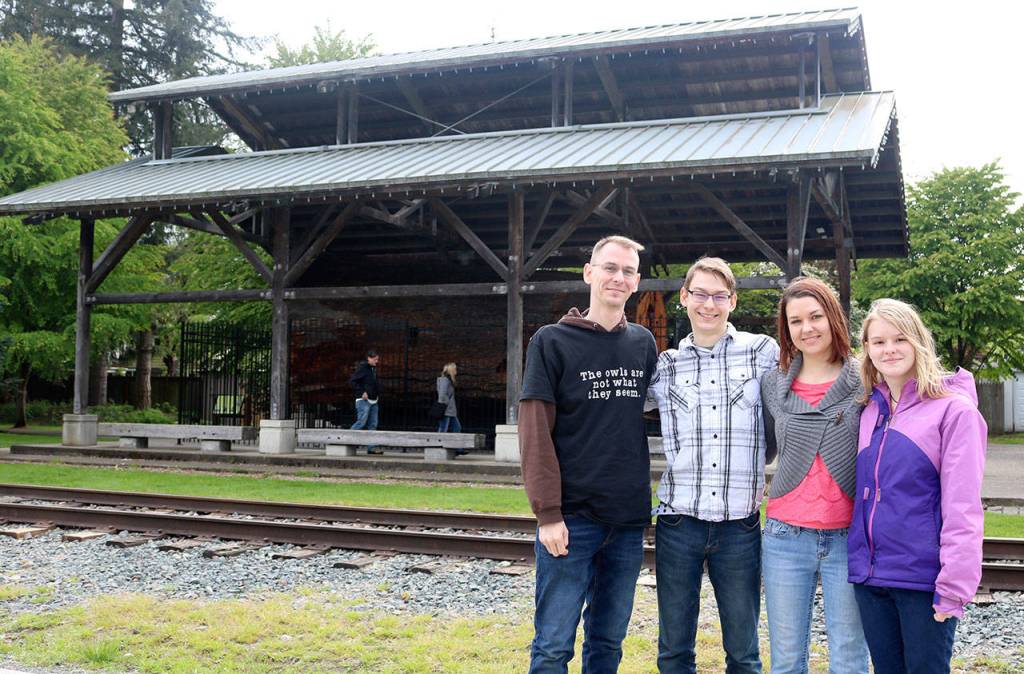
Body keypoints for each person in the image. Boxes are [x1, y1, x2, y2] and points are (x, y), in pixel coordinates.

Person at [519, 235, 658, 673]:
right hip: (572, 519)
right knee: (553, 646)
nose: (618, 277)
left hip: (627, 519)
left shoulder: (643, 344)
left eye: (628, 271)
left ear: (636, 282)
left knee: (608, 642)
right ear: (589, 273)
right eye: (610, 267)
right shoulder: (551, 342)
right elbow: (535, 430)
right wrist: (548, 513)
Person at [646, 256, 778, 674]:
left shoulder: (762, 353)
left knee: (743, 652)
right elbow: (613, 411)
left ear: (733, 301)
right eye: (700, 294)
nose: (709, 304)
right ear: (684, 297)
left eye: (719, 295)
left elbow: (798, 400)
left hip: (739, 524)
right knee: (674, 650)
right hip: (677, 521)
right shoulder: (664, 366)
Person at [848, 298, 986, 674]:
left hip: (923, 582)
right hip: (871, 578)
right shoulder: (870, 410)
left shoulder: (954, 411)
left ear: (918, 342)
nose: (889, 349)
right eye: (878, 342)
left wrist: (953, 588)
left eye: (899, 339)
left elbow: (963, 508)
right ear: (867, 350)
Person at [759, 277, 869, 674]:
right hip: (785, 536)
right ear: (786, 330)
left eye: (815, 316)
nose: (807, 328)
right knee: (787, 660)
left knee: (849, 657)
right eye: (795, 321)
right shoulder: (773, 384)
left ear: (833, 317)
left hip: (849, 536)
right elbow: (767, 445)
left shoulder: (865, 379)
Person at [350, 349, 381, 454]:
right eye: (375, 359)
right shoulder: (363, 368)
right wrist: (362, 392)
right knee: (361, 422)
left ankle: (371, 447)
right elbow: (353, 381)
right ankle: (346, 439)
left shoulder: (373, 369)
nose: (377, 361)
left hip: (373, 400)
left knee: (373, 424)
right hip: (364, 400)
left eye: (377, 359)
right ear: (369, 358)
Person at [436, 362, 461, 433]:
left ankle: (454, 443)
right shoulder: (445, 380)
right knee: (443, 429)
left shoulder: (448, 380)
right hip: (446, 409)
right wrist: (446, 404)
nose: (456, 370)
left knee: (457, 428)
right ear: (451, 370)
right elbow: (441, 395)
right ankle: (438, 443)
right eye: (455, 368)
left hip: (450, 410)